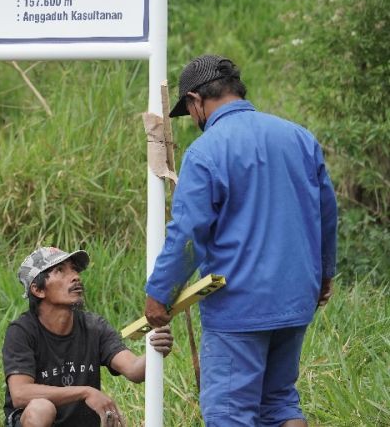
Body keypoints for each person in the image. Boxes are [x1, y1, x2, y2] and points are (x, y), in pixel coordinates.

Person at [144, 54, 338, 427]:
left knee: (229, 412)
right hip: (296, 298)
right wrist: (324, 275)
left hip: (239, 308)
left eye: (190, 112)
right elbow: (326, 216)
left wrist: (160, 292)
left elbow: (189, 234)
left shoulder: (207, 150)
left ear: (197, 101)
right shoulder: (298, 137)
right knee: (280, 403)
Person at [3, 246, 173, 427]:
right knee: (41, 409)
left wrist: (157, 349)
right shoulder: (22, 331)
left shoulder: (93, 327)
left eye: (74, 269)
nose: (75, 276)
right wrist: (85, 392)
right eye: (60, 270)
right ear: (38, 290)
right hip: (37, 420)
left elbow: (133, 370)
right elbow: (20, 394)